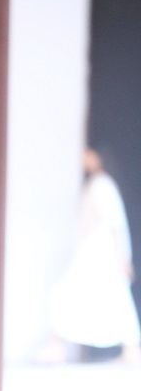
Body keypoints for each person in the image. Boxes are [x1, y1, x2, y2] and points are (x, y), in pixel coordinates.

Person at [44, 147, 141, 364]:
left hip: (101, 253)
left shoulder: (102, 184)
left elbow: (115, 224)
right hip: (93, 250)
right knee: (76, 296)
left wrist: (121, 258)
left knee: (106, 296)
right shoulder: (96, 183)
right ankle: (57, 345)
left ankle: (131, 348)